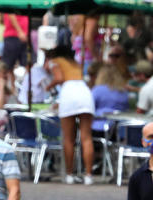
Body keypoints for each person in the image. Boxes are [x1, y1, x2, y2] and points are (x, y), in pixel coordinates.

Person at [45, 44, 95, 185]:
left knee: (68, 138)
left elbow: (59, 78)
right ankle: (89, 175)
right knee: (86, 137)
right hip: (84, 92)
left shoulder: (55, 62)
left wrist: (49, 86)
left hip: (69, 93)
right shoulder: (76, 63)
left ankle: (69, 174)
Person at [91, 64, 130, 132]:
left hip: (98, 126)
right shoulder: (123, 92)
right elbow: (126, 109)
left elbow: (90, 107)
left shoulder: (97, 90)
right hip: (119, 128)